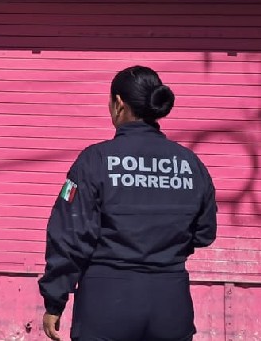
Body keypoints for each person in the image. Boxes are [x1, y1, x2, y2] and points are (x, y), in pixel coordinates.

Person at [39, 66, 217, 341]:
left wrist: (55, 300)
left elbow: (68, 235)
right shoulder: (190, 164)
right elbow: (205, 233)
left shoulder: (94, 160)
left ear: (119, 104)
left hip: (106, 304)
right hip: (170, 305)